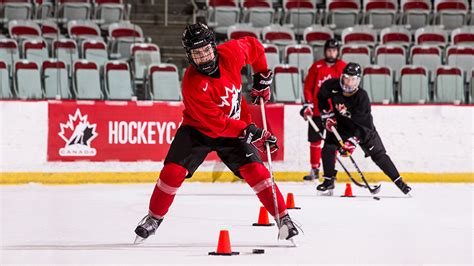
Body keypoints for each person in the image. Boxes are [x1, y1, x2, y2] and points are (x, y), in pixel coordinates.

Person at [134, 23, 299, 243]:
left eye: (206, 50)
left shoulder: (230, 53)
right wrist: (251, 131)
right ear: (189, 56)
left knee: (258, 172)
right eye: (197, 53)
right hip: (198, 130)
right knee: (172, 173)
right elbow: (218, 124)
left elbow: (255, 46)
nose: (203, 57)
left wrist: (262, 74)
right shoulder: (192, 84)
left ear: (214, 46)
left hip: (236, 127)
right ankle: (154, 218)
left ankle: (284, 219)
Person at [316, 62, 412, 195]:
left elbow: (363, 125)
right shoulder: (332, 86)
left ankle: (400, 183)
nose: (349, 82)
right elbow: (321, 96)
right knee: (328, 148)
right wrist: (327, 114)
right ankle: (328, 181)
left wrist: (352, 142)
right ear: (342, 77)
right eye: (347, 78)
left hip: (364, 131)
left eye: (353, 79)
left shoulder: (362, 97)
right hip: (342, 127)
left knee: (379, 156)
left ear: (358, 80)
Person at [300, 39, 346, 181]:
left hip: (335, 113)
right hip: (317, 112)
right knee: (315, 141)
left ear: (337, 52)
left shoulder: (342, 67)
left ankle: (330, 171)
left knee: (332, 143)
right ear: (325, 51)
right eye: (329, 50)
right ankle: (314, 169)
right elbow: (308, 87)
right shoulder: (316, 66)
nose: (331, 53)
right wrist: (308, 103)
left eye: (334, 50)